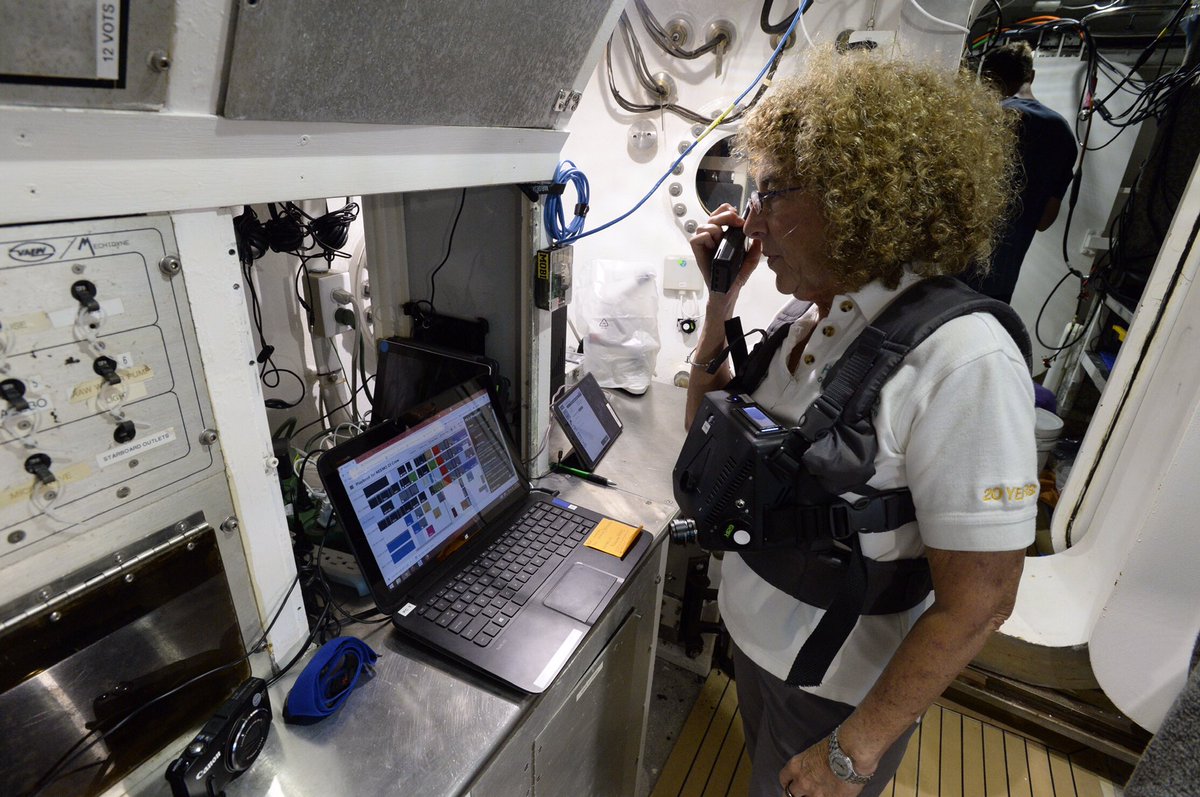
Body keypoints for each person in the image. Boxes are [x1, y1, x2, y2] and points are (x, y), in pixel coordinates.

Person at [684, 46, 1036, 797]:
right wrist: (720, 300)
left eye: (771, 192)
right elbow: (706, 444)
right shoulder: (800, 318)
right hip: (754, 644)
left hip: (832, 698)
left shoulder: (964, 360)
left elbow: (983, 600)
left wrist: (854, 751)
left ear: (853, 194)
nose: (752, 219)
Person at [963, 41, 1079, 304]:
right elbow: (1044, 220)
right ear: (1032, 76)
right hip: (996, 286)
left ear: (986, 79)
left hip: (943, 271)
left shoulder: (977, 118)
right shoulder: (1060, 134)